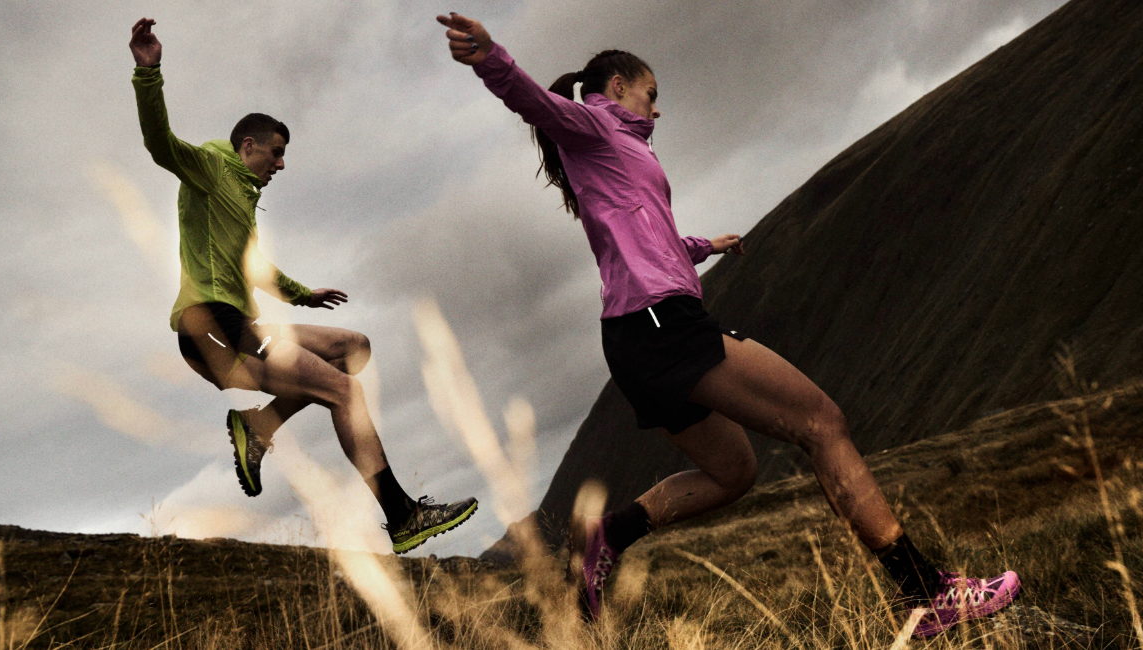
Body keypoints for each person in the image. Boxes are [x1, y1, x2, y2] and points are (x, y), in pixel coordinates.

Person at [437, 12, 1019, 636]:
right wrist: (492, 57)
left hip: (638, 333)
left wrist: (702, 246)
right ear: (616, 89)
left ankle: (609, 536)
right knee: (822, 423)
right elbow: (537, 106)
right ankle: (925, 592)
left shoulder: (620, 152)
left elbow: (644, 237)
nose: (658, 110)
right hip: (663, 322)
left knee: (733, 472)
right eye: (651, 94)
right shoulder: (597, 127)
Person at [128, 18, 476, 554]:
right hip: (209, 326)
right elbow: (158, 143)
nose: (282, 164)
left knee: (353, 348)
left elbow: (253, 267)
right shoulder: (208, 167)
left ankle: (259, 427)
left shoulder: (241, 196)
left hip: (242, 322)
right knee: (343, 391)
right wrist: (148, 73)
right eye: (276, 153)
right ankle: (402, 516)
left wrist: (299, 294)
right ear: (248, 146)